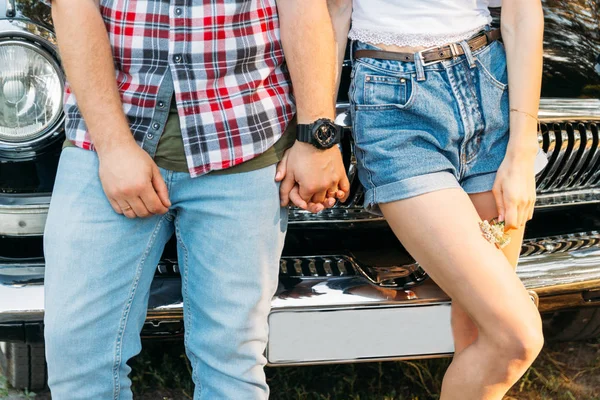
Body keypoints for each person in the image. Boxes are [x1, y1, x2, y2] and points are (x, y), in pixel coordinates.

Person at [42, 0, 348, 399]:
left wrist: (317, 137)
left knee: (232, 365)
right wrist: (115, 146)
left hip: (245, 135)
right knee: (77, 360)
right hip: (105, 143)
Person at [290, 0, 545, 398]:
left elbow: (522, 10)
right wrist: (317, 134)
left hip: (488, 87)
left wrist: (522, 153)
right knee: (517, 336)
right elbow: (335, 10)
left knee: (481, 327)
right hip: (393, 104)